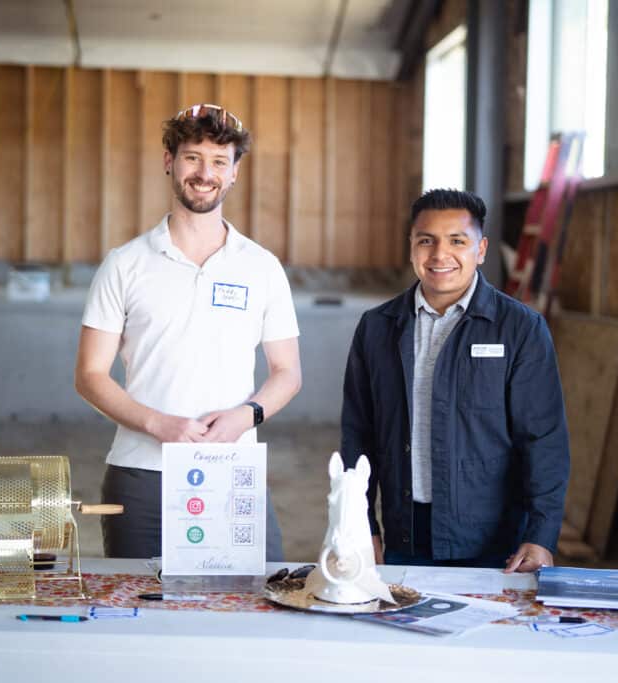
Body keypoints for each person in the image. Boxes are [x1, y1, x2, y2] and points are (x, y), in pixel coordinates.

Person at [75, 103, 302, 560]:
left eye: (220, 161)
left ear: (235, 172)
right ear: (169, 161)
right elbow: (90, 375)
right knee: (138, 613)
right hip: (140, 474)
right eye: (193, 157)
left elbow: (287, 372)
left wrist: (247, 415)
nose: (205, 172)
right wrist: (158, 423)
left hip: (232, 471)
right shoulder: (125, 264)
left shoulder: (261, 267)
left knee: (256, 603)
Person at [340, 188, 569, 572]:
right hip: (404, 534)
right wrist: (360, 523)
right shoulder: (377, 328)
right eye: (426, 241)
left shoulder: (519, 329)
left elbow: (543, 439)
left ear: (480, 250)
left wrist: (541, 535)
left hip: (496, 545)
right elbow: (358, 436)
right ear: (411, 248)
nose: (439, 255)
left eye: (457, 241)